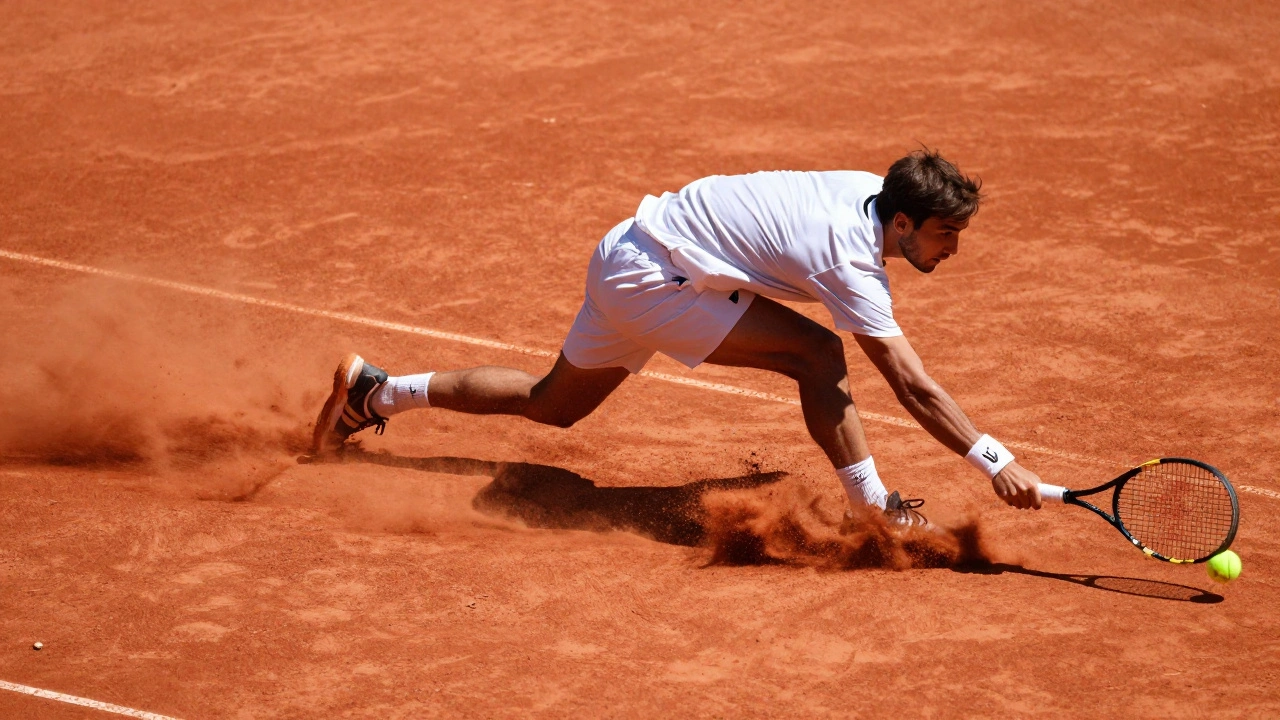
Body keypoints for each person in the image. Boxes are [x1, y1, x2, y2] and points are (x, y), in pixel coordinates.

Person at [311, 149, 1045, 526]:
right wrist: (992, 459)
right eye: (948, 233)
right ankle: (870, 509)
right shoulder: (848, 259)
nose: (955, 248)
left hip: (629, 250)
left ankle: (378, 392)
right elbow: (910, 383)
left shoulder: (869, 190)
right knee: (817, 354)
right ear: (906, 223)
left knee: (552, 404)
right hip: (659, 280)